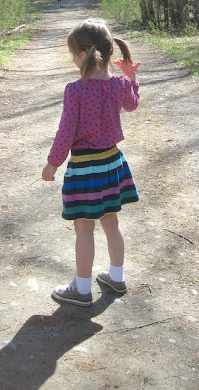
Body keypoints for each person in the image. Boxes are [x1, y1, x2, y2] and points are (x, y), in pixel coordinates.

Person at [42, 18, 141, 306]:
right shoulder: (120, 84)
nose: (72, 60)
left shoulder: (76, 90)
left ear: (84, 55)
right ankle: (117, 277)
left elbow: (66, 131)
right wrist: (132, 78)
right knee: (111, 222)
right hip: (112, 163)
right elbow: (132, 105)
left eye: (72, 54)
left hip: (85, 168)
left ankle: (82, 289)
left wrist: (53, 163)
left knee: (84, 228)